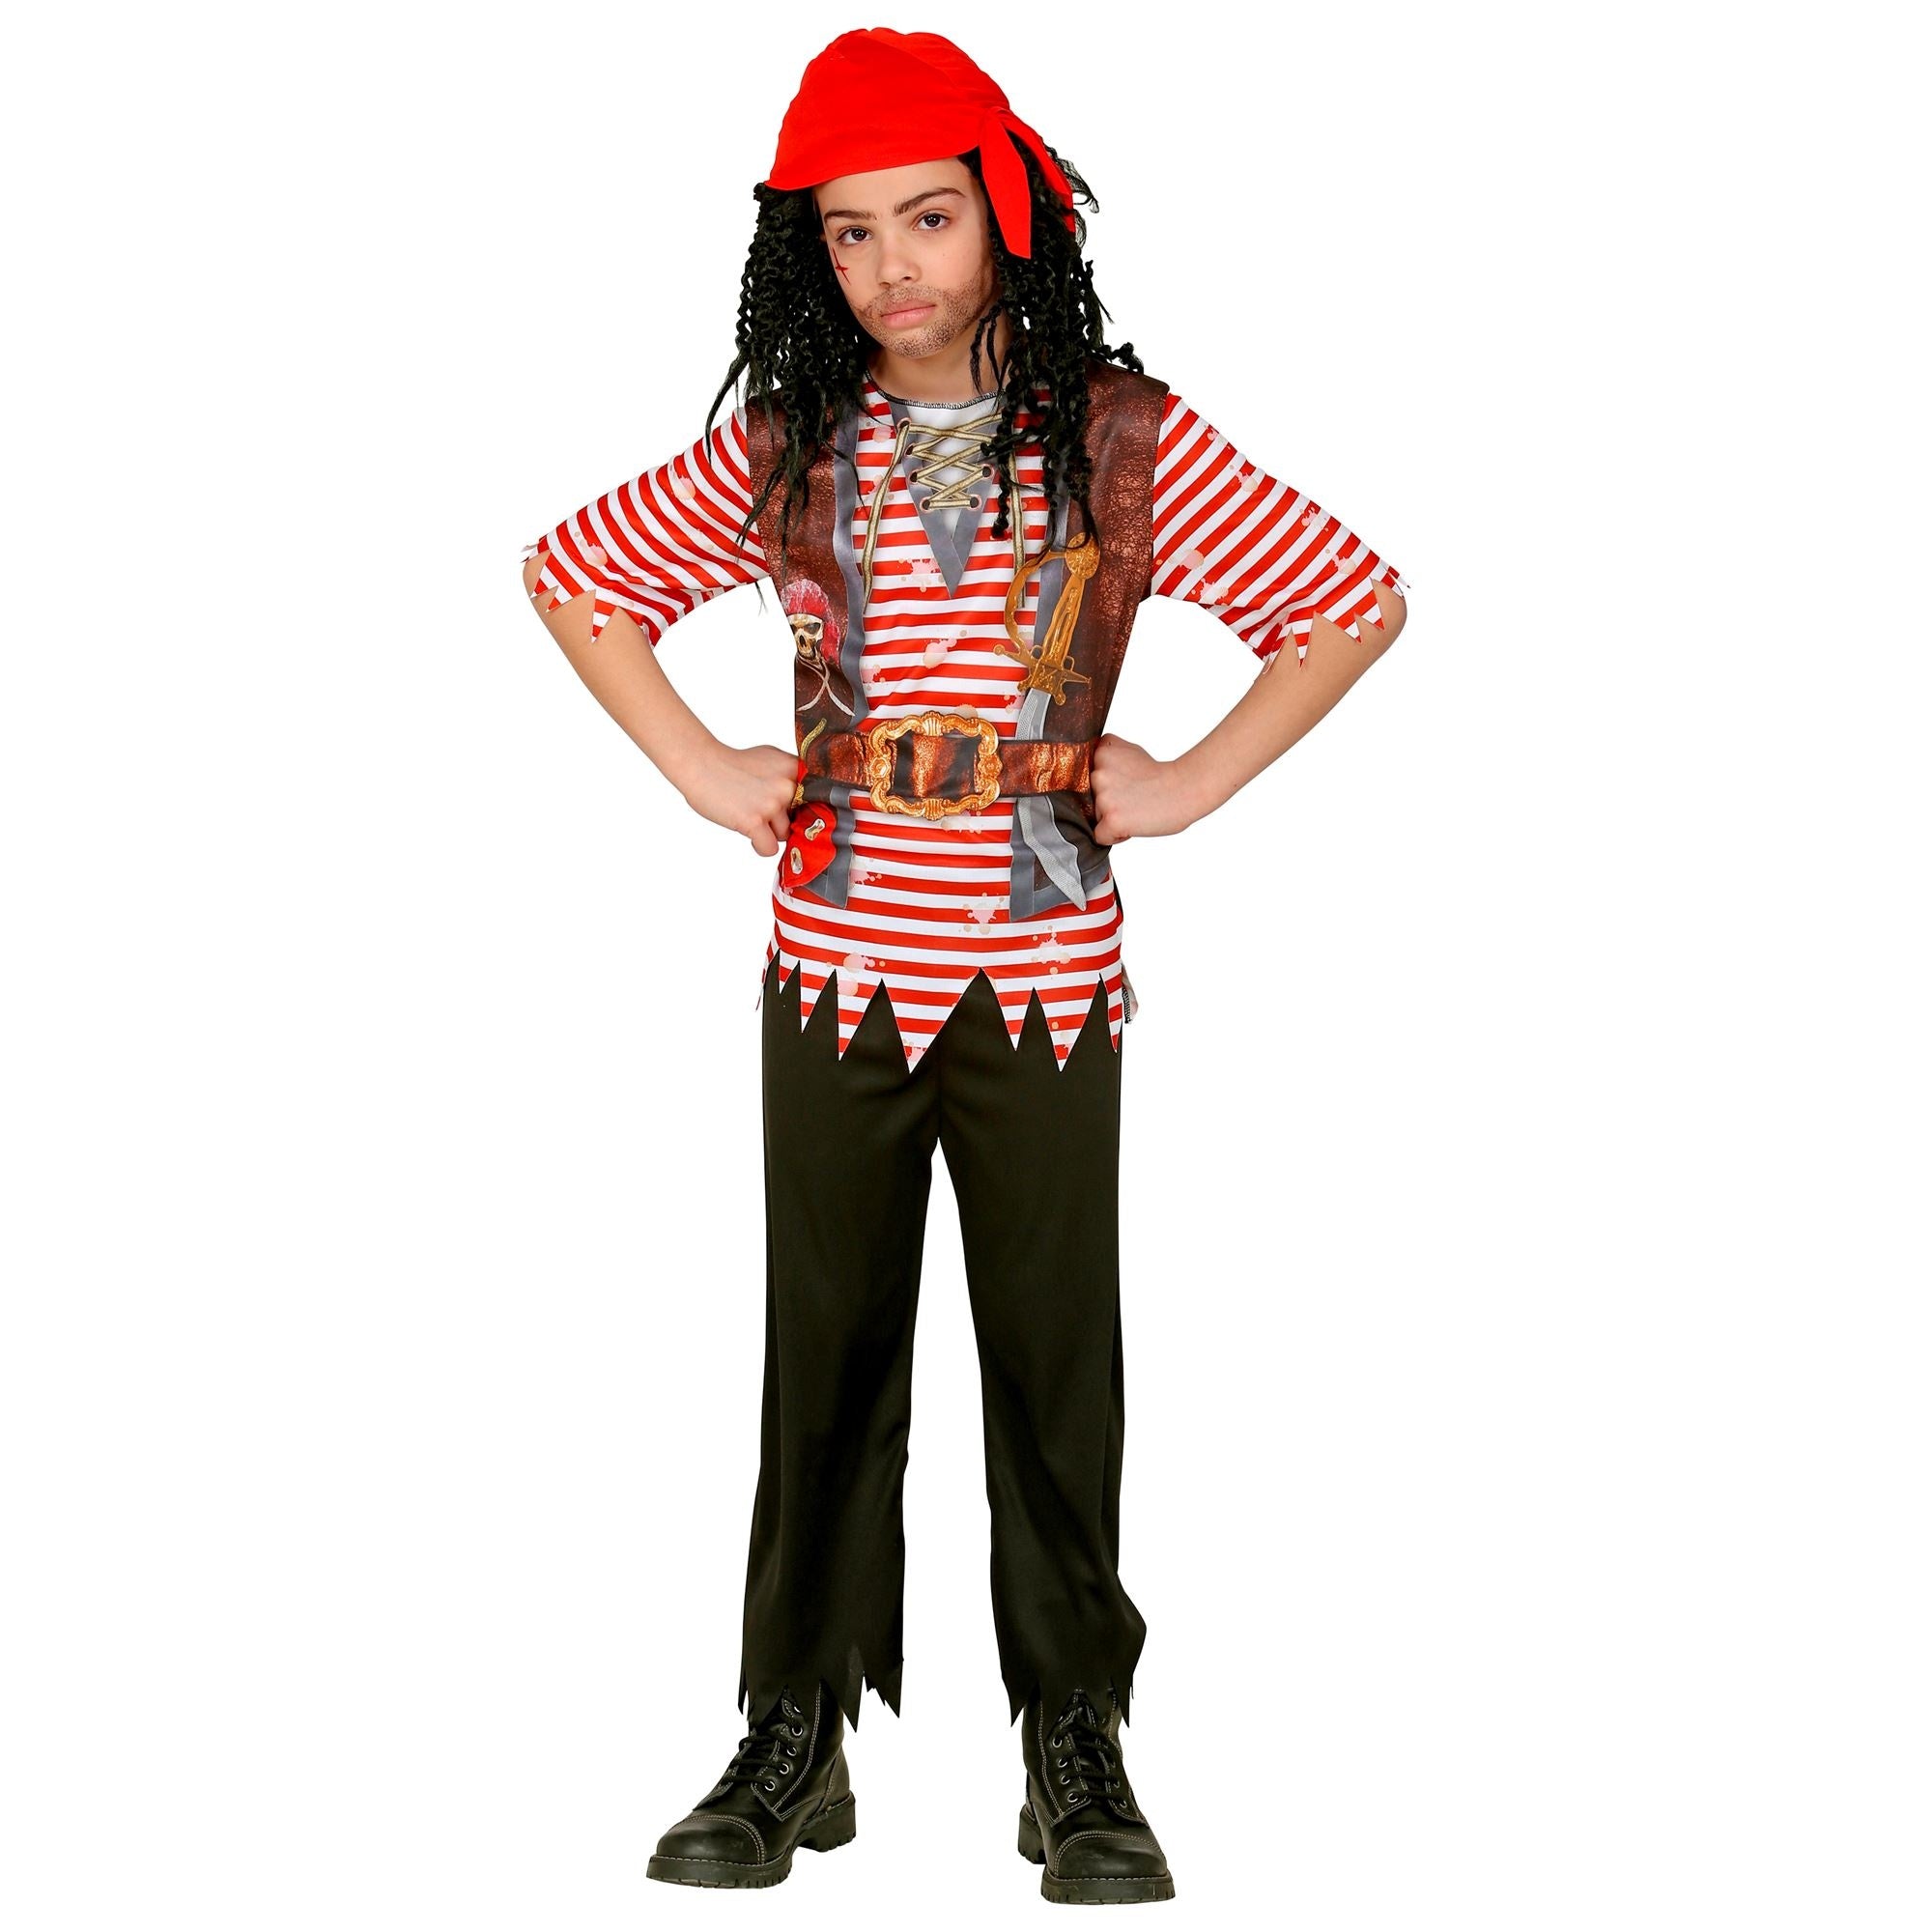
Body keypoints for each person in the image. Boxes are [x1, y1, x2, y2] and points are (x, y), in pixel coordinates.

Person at [519, 26, 1410, 1906]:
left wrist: (1189, 780)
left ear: (1004, 212)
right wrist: (699, 768)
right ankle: (793, 1723)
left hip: (1044, 973)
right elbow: (577, 576)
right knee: (824, 1349)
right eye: (848, 234)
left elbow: (1351, 599)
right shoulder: (791, 446)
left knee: (1052, 1353)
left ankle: (1073, 1734)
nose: (891, 267)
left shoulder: (1122, 443)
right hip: (834, 964)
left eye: (926, 217)